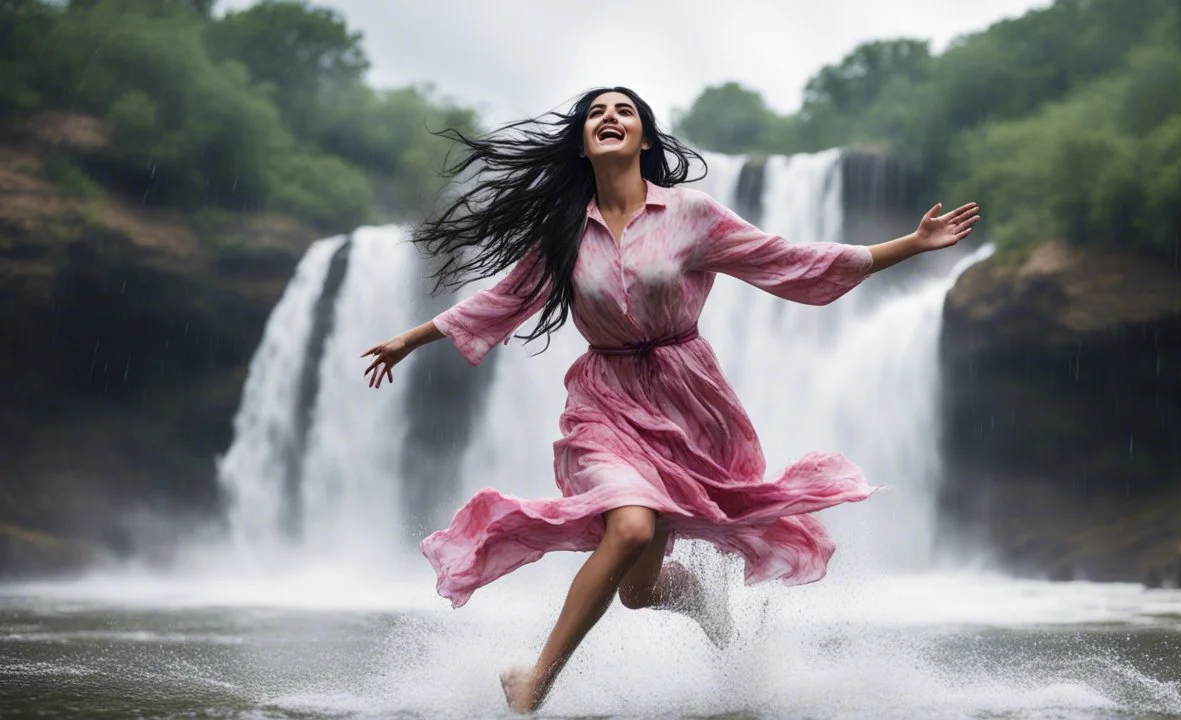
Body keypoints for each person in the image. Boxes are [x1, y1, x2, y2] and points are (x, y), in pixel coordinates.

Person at [361, 86, 979, 713]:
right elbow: (503, 298)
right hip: (605, 403)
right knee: (630, 527)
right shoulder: (563, 232)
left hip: (688, 406)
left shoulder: (692, 215)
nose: (609, 118)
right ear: (582, 143)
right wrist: (412, 339)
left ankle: (702, 603)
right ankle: (535, 682)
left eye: (624, 111)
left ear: (645, 139)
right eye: (596, 113)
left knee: (637, 589)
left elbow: (790, 262)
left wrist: (910, 244)